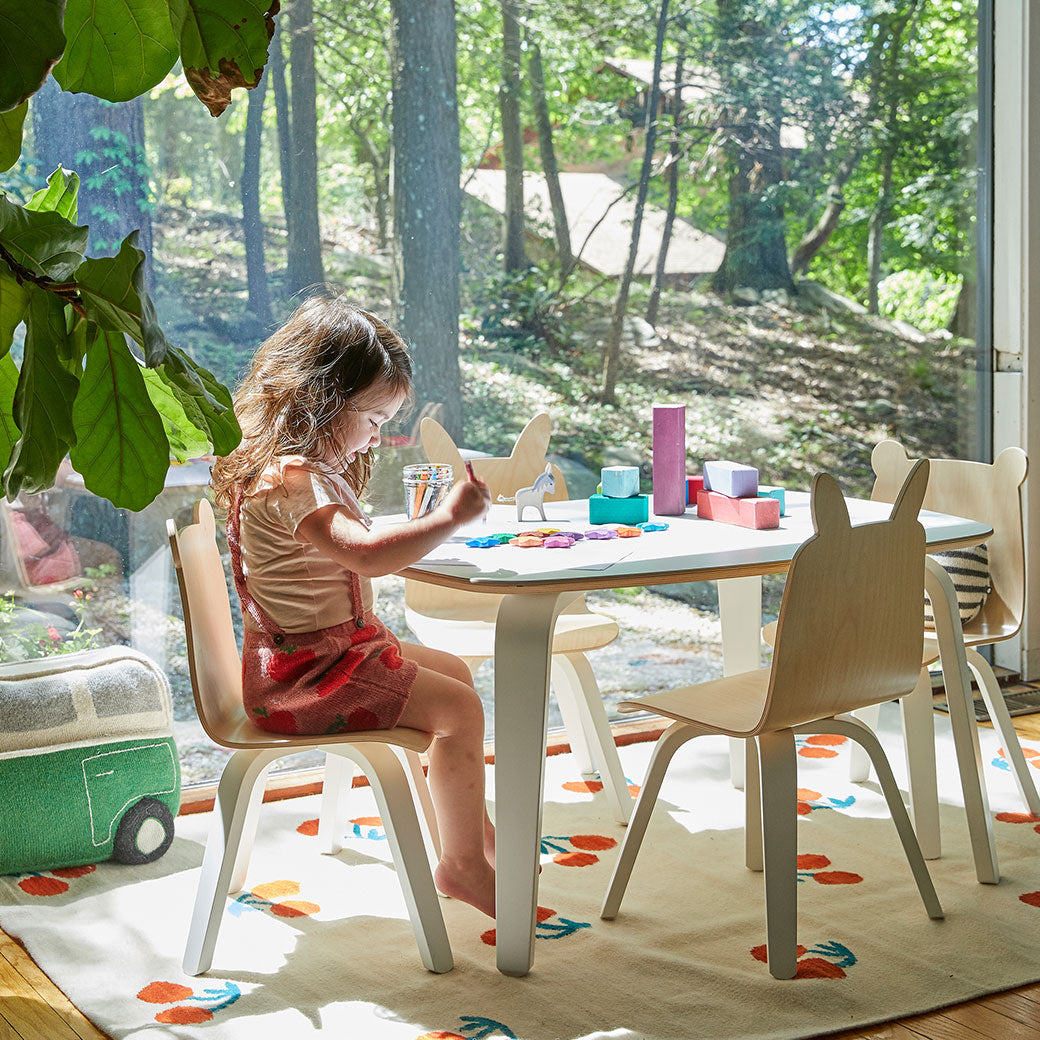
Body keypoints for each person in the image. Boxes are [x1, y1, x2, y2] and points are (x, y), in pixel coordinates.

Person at [210, 292, 496, 917]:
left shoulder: (296, 470)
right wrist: (449, 517)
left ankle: (469, 829)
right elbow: (364, 555)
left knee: (455, 673)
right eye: (371, 419)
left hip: (324, 657)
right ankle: (463, 865)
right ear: (322, 401)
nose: (376, 437)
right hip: (306, 678)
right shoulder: (294, 477)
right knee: (461, 708)